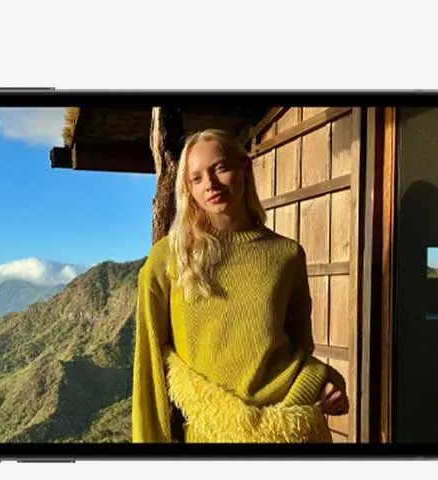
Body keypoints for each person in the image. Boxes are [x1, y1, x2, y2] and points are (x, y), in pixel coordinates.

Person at [132, 128, 348, 443]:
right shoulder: (169, 256)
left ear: (245, 168)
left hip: (290, 428)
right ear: (187, 190)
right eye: (197, 178)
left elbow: (299, 345)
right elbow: (149, 361)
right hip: (211, 434)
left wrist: (324, 383)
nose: (210, 184)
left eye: (220, 168)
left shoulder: (286, 254)